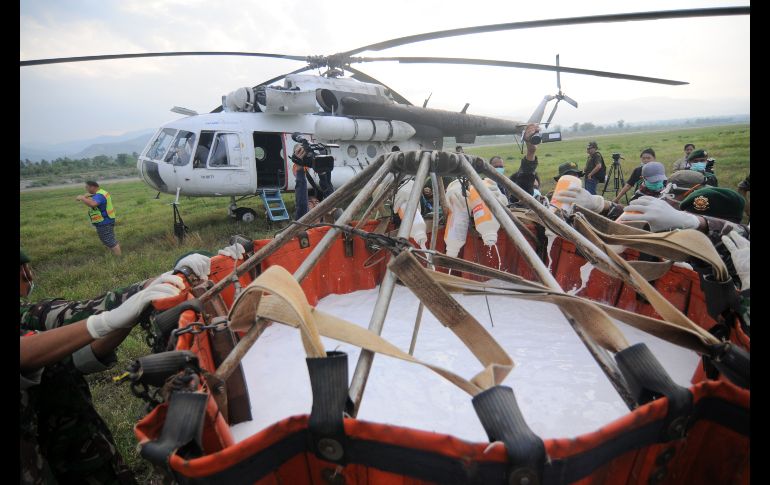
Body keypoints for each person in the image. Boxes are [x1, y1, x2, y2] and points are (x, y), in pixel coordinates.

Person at [20, 246, 243, 484]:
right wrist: (103, 323)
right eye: (21, 270)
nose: (28, 275)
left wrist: (159, 283)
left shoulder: (27, 313)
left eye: (26, 267)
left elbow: (71, 320)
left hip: (75, 447)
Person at [77, 181, 121, 256]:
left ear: (92, 187)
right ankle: (114, 254)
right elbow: (96, 200)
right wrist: (90, 196)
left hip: (104, 221)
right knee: (108, 239)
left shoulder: (99, 195)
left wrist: (82, 198)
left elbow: (93, 204)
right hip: (105, 220)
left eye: (87, 187)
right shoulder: (101, 193)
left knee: (109, 240)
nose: (86, 189)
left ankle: (119, 257)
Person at [507, 124, 541, 204]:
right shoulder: (515, 207)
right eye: (531, 187)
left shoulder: (547, 205)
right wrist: (530, 152)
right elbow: (525, 183)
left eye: (535, 187)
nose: (533, 191)